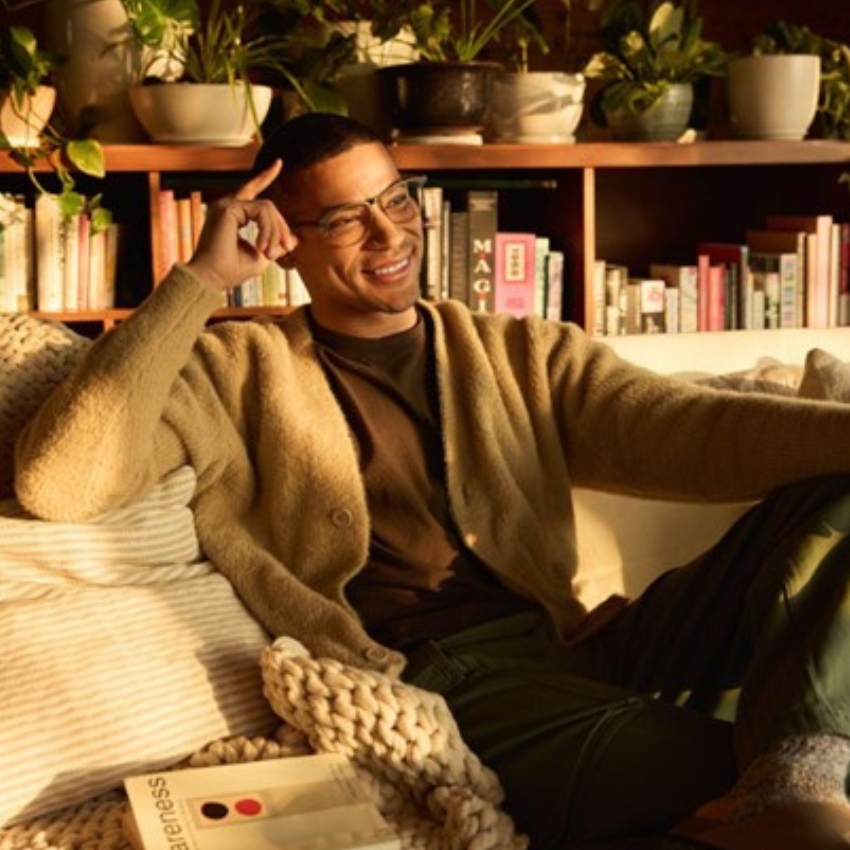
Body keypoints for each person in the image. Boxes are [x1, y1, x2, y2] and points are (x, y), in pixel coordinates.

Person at [14, 112, 850, 850]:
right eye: (346, 218)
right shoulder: (235, 373)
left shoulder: (516, 351)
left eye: (398, 200)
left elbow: (694, 429)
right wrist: (198, 281)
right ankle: (791, 776)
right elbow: (62, 482)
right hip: (441, 682)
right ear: (283, 237)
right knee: (723, 770)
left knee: (833, 501)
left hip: (580, 644)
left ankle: (801, 769)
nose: (389, 235)